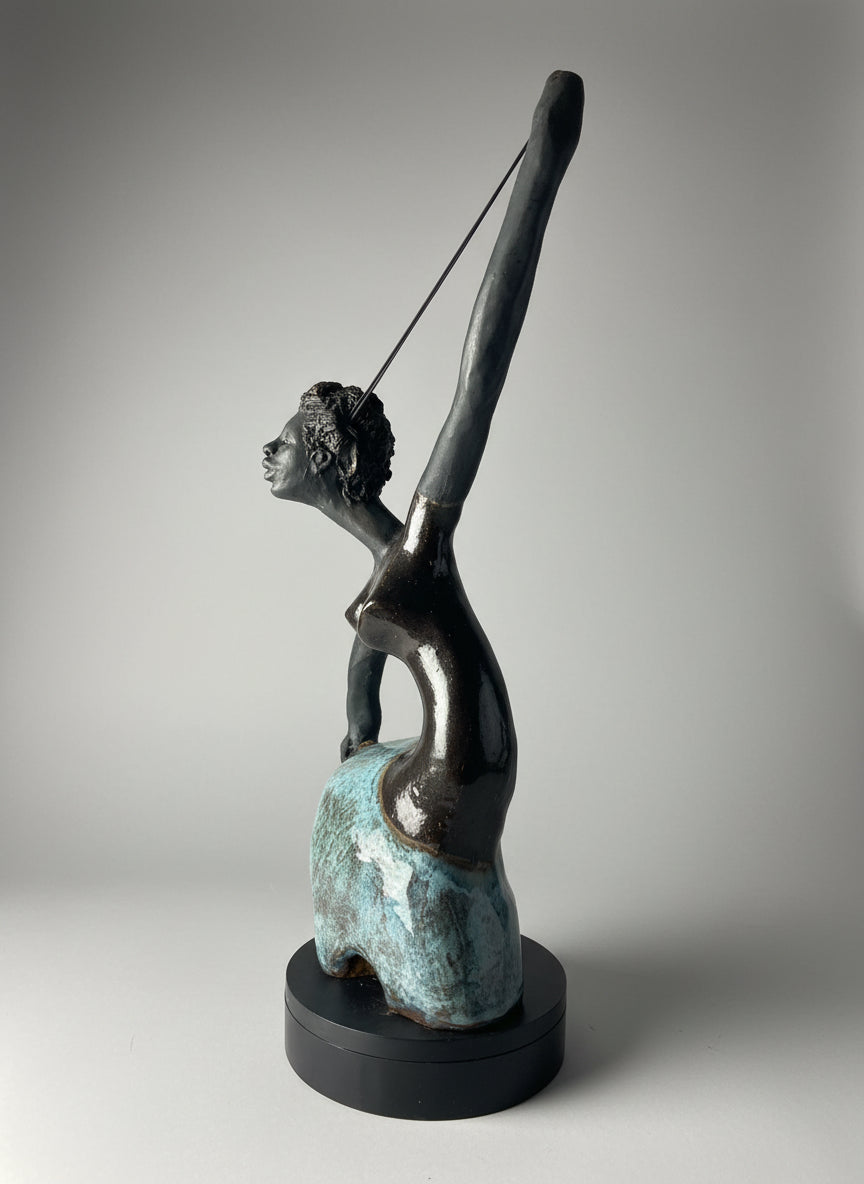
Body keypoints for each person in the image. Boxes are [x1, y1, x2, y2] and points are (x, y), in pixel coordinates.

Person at [262, 71, 583, 1027]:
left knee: (372, 808)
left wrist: (542, 166)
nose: (270, 452)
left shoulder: (420, 547)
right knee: (356, 787)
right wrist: (357, 721)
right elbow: (370, 646)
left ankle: (418, 947)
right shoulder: (386, 573)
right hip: (454, 778)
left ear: (329, 460)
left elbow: (477, 382)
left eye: (286, 440)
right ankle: (383, 931)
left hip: (458, 783)